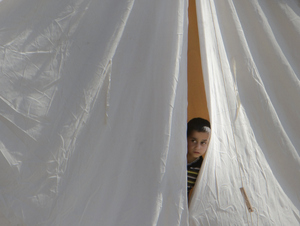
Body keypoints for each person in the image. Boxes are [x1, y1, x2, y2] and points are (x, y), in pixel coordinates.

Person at [187, 117, 211, 200]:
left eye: (203, 143)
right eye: (193, 141)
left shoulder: (202, 168)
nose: (198, 147)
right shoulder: (174, 159)